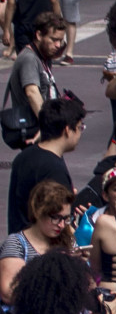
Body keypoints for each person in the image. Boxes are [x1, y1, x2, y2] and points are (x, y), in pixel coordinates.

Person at [7, 94, 81, 234]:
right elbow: (59, 220)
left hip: (20, 239)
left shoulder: (24, 156)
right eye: (79, 127)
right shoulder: (54, 169)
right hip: (42, 247)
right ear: (67, 130)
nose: (80, 133)